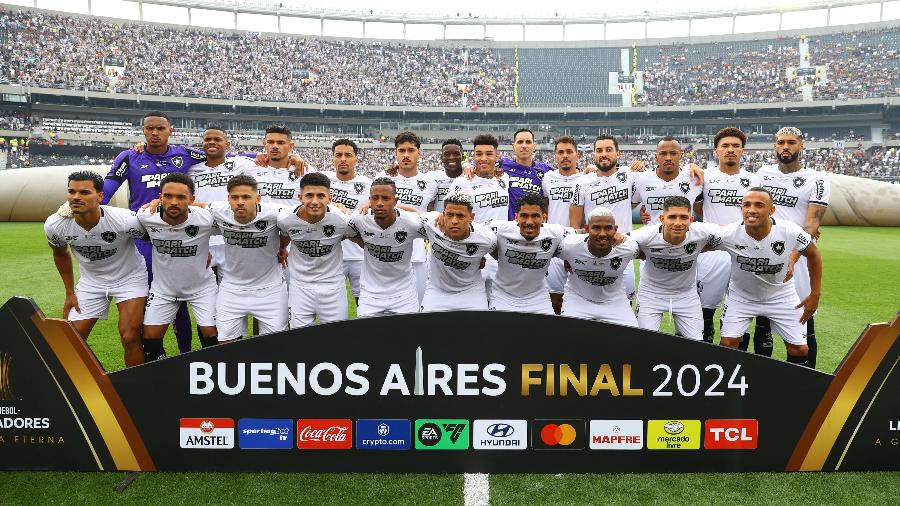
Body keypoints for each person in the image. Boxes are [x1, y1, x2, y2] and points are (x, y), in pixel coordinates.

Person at [101, 111, 207, 353]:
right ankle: (153, 355)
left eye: (160, 128)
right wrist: (92, 208)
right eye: (150, 128)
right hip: (144, 238)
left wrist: (262, 157)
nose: (155, 133)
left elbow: (221, 156)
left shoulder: (184, 154)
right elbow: (107, 187)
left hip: (178, 235)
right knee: (149, 295)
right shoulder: (129, 157)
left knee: (178, 298)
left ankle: (185, 354)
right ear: (143, 131)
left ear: (170, 130)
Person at [45, 171, 147, 366]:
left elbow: (155, 239)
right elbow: (60, 253)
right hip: (92, 282)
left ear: (100, 196)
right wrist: (69, 293)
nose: (76, 197)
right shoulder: (55, 225)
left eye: (84, 192)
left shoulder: (125, 219)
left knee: (129, 336)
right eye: (71, 192)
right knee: (72, 340)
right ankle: (82, 389)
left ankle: (137, 392)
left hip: (130, 278)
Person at [713, 187, 822, 368]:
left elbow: (814, 255)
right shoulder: (729, 233)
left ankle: (790, 392)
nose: (751, 210)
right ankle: (733, 389)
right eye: (746, 205)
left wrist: (815, 295)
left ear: (772, 210)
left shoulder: (789, 231)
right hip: (742, 296)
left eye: (759, 205)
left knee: (800, 349)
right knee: (728, 344)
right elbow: (697, 242)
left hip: (781, 294)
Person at [755, 127, 830, 368]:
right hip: (767, 257)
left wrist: (793, 257)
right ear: (774, 146)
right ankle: (761, 379)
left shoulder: (816, 179)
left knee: (802, 319)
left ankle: (805, 382)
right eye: (780, 142)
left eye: (791, 142)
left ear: (801, 146)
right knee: (763, 320)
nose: (785, 146)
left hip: (798, 259)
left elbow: (811, 225)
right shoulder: (763, 174)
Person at [136, 173, 218, 361]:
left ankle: (207, 375)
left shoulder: (205, 218)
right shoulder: (146, 216)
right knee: (149, 339)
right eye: (168, 196)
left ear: (192, 199)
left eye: (181, 197)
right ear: (160, 197)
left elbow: (234, 219)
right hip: (164, 290)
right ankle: (167, 375)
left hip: (202, 288)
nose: (174, 202)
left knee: (212, 333)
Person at [696, 127, 760, 345]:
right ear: (716, 151)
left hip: (743, 253)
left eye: (735, 146)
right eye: (725, 146)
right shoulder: (704, 177)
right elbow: (696, 207)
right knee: (705, 312)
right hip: (712, 253)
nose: (730, 150)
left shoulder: (753, 180)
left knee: (738, 316)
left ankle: (737, 365)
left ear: (742, 151)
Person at [209, 175, 288, 340]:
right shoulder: (218, 210)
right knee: (226, 343)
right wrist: (159, 204)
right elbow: (193, 208)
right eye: (235, 197)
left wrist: (282, 246)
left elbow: (301, 215)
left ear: (257, 198)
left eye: (246, 197)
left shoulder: (275, 213)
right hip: (232, 289)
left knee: (274, 348)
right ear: (228, 199)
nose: (240, 202)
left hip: (270, 290)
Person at [630, 196, 722, 340]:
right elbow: (617, 244)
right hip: (651, 294)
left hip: (686, 295)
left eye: (683, 217)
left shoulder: (702, 232)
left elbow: (732, 233)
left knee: (697, 345)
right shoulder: (644, 236)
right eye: (672, 217)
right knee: (643, 342)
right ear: (662, 218)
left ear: (691, 219)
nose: (678, 223)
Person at [278, 172, 354, 327]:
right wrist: (282, 248)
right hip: (300, 288)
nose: (314, 201)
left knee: (336, 341)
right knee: (299, 341)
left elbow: (362, 239)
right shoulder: (285, 218)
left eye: (321, 196)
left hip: (333, 289)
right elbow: (285, 235)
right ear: (300, 197)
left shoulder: (342, 220)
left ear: (329, 198)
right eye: (309, 195)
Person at [346, 177, 424, 317]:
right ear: (369, 200)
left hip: (404, 294)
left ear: (395, 201)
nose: (379, 203)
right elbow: (348, 233)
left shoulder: (412, 223)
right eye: (375, 198)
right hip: (370, 295)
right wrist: (366, 243)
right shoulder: (359, 219)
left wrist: (418, 213)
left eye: (385, 198)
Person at [188, 126, 259, 281]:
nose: (212, 142)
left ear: (227, 144)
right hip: (202, 238)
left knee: (231, 290)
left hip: (230, 237)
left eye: (217, 139)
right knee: (203, 291)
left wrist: (295, 158)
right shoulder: (192, 169)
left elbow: (271, 161)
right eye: (207, 139)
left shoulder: (241, 164)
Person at [375, 131, 438, 303]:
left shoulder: (430, 183)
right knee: (386, 304)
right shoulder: (382, 179)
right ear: (395, 153)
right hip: (388, 250)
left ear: (419, 153)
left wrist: (400, 209)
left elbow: (431, 216)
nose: (406, 155)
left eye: (411, 150)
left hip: (418, 253)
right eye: (402, 151)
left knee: (418, 304)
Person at [487, 193, 572, 315]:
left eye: (535, 216)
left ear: (544, 217)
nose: (529, 222)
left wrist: (570, 258)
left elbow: (581, 238)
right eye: (524, 216)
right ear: (516, 217)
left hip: (537, 299)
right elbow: (474, 232)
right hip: (502, 296)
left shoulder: (556, 232)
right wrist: (479, 255)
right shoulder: (500, 229)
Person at [449, 134, 510, 298]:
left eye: (489, 154)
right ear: (473, 156)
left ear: (497, 156)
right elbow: (449, 219)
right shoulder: (461, 183)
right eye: (479, 154)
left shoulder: (504, 178)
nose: (484, 158)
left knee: (499, 305)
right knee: (474, 306)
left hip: (500, 254)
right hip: (474, 254)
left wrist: (588, 167)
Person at [558, 207, 639, 326]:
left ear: (615, 230)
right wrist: (567, 258)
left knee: (632, 337)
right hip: (578, 299)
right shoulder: (569, 245)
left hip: (615, 301)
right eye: (596, 228)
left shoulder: (628, 248)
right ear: (586, 229)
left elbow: (646, 254)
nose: (602, 234)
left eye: (608, 228)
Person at [419, 192, 497, 312]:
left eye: (460, 216)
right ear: (443, 214)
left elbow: (500, 255)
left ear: (471, 217)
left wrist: (481, 258)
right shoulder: (432, 223)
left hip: (471, 292)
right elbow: (402, 213)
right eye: (450, 215)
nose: (454, 221)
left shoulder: (486, 238)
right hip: (437, 291)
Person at [318, 139, 373, 304]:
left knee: (363, 303)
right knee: (330, 305)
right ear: (332, 158)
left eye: (348, 155)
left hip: (360, 254)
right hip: (332, 255)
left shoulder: (369, 184)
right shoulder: (322, 181)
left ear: (356, 158)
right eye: (338, 155)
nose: (343, 159)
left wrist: (370, 203)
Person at [542, 135, 583, 314]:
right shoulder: (547, 178)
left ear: (577, 155)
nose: (565, 156)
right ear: (555, 157)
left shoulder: (587, 178)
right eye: (561, 152)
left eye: (569, 152)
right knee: (554, 298)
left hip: (580, 245)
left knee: (581, 297)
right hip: (554, 246)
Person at [631, 136, 703, 226]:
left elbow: (702, 211)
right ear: (656, 157)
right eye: (663, 153)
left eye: (673, 153)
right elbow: (628, 205)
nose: (668, 158)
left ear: (681, 155)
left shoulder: (694, 178)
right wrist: (643, 210)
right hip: (652, 238)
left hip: (684, 238)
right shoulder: (641, 179)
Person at [498, 128, 550, 219]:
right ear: (513, 146)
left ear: (534, 146)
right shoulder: (503, 165)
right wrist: (467, 166)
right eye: (520, 142)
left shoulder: (545, 170)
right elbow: (481, 163)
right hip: (511, 226)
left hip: (535, 226)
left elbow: (566, 173)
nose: (524, 146)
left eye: (528, 142)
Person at [433, 139, 465, 211]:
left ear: (463, 157)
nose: (451, 157)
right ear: (441, 157)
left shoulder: (469, 177)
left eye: (456, 154)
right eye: (447, 154)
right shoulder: (433, 178)